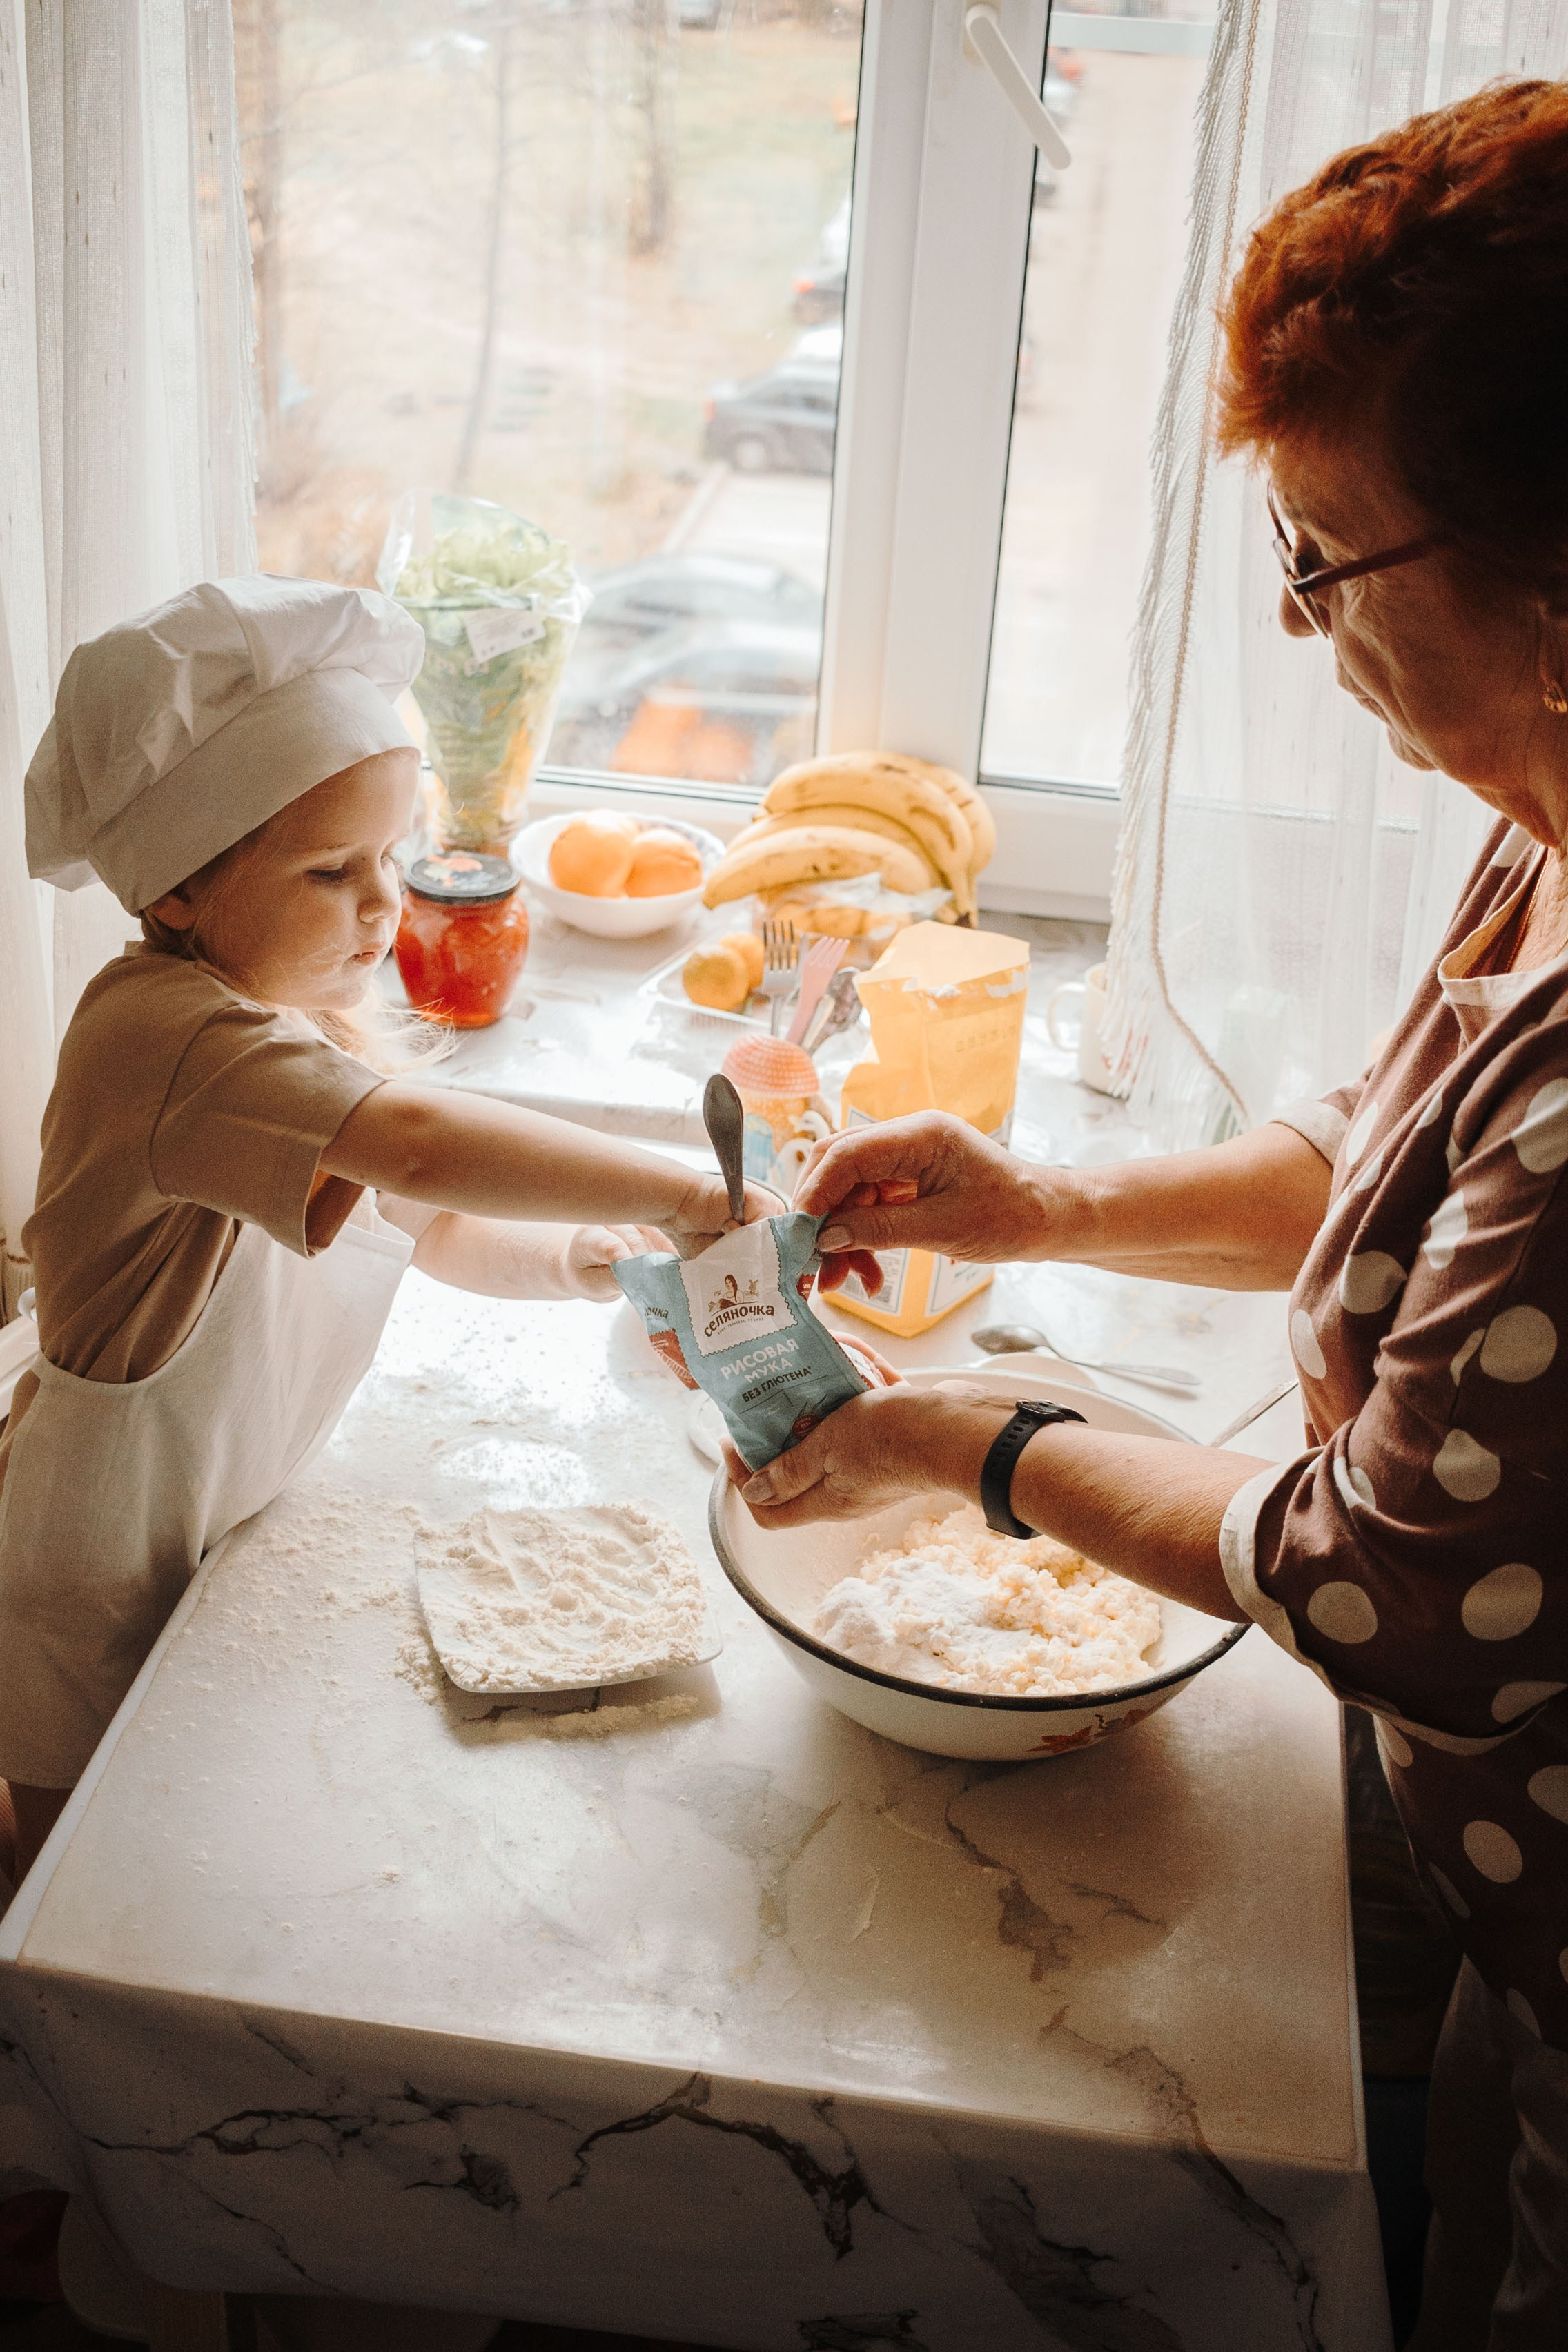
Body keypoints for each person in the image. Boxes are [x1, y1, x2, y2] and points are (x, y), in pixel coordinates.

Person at [736, 78, 1568, 2351]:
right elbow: (1384, 1156)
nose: (1296, 624)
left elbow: (1393, 1586)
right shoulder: (1545, 816)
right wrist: (1055, 1194)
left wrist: (960, 1435)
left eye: (1324, 551)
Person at [0, 575, 770, 1885]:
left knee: (184, 1846)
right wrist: (681, 1192)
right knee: (83, 1887)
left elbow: (437, 1217)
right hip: (94, 1558)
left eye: (389, 860)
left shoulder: (291, 1026)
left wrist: (589, 1260)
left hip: (217, 1510)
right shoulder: (163, 1037)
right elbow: (414, 1143)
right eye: (329, 870)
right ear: (181, 888)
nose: (382, 905)